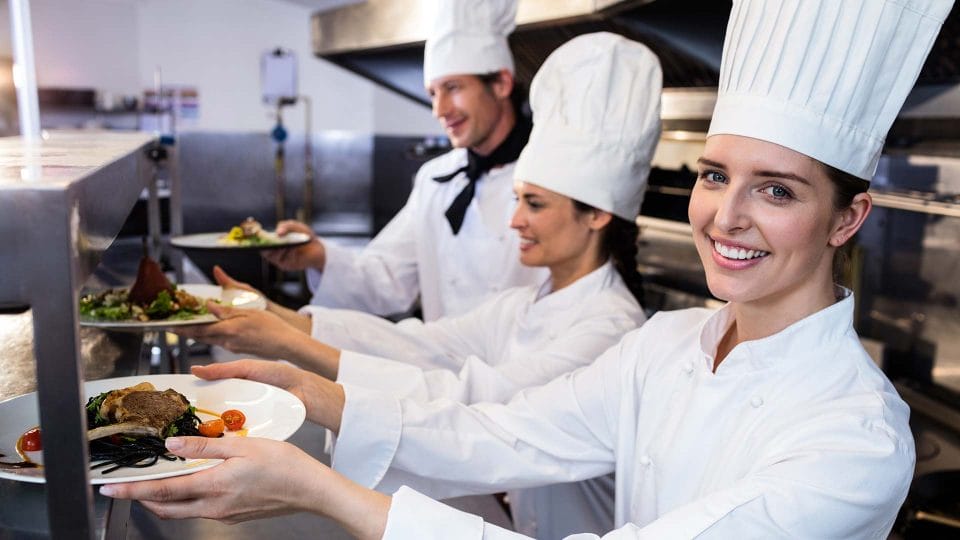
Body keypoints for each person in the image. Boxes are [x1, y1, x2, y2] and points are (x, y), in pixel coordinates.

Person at [101, 0, 953, 537]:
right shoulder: (670, 344)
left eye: (776, 190)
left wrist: (329, 494)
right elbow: (506, 427)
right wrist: (309, 387)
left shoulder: (854, 440)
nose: (726, 216)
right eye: (714, 175)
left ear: (849, 216)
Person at [175, 32, 663, 538]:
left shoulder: (610, 329)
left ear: (597, 214)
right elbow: (422, 345)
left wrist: (301, 365)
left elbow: (478, 402)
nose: (514, 220)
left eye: (533, 204)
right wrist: (278, 320)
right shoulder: (524, 304)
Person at [260, 0, 546, 322]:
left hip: (533, 369)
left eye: (453, 88)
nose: (440, 110)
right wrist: (317, 256)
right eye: (433, 94)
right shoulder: (436, 179)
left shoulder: (551, 176)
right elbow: (386, 279)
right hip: (444, 369)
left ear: (502, 84)